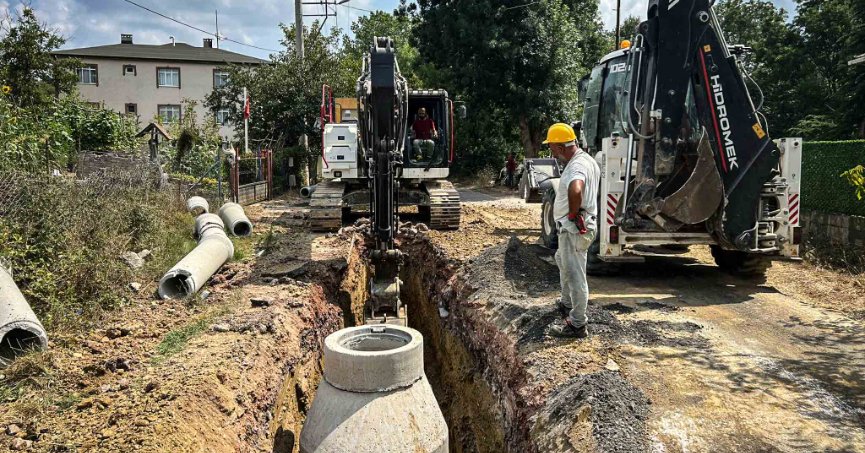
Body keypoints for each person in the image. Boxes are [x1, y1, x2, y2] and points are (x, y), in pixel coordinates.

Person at [544, 123, 600, 338]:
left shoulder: (577, 166)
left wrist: (572, 214)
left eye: (551, 148)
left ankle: (577, 324)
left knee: (576, 274)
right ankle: (567, 303)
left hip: (575, 229)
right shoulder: (586, 160)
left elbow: (576, 188)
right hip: (575, 228)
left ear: (559, 146)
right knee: (562, 261)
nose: (552, 152)